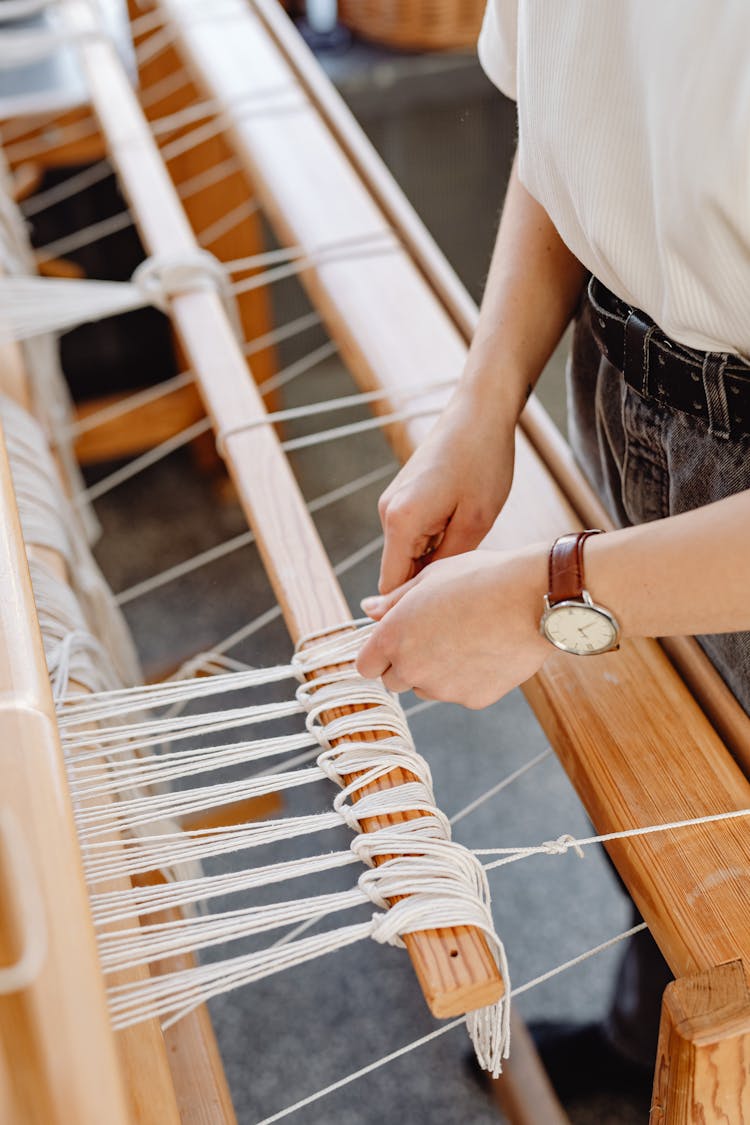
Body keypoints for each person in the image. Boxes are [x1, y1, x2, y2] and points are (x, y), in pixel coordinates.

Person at [355, 0, 750, 1105]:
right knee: (674, 800)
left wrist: (553, 595)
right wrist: (482, 407)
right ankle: (645, 1036)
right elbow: (575, 133)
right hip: (621, 377)